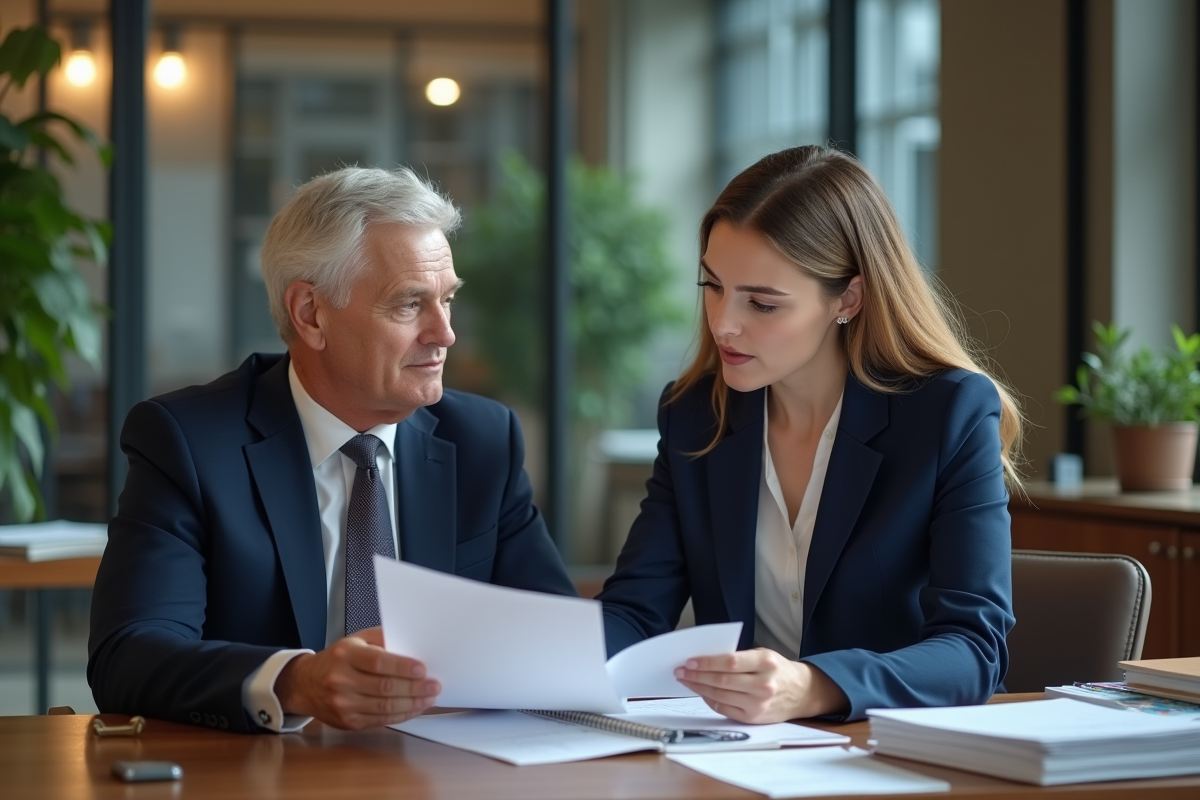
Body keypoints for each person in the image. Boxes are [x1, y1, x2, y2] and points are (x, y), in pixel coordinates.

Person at [88, 167, 575, 733]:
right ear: (310, 314)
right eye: (409, 304)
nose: (445, 333)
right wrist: (297, 682)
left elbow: (557, 644)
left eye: (447, 300)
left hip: (443, 773)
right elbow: (128, 655)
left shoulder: (482, 439)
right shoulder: (189, 442)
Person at [596, 145, 1021, 724]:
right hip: (742, 761)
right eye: (714, 286)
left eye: (763, 304)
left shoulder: (948, 414)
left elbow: (975, 650)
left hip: (886, 757)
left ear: (847, 298)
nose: (724, 322)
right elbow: (636, 612)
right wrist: (530, 662)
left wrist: (815, 686)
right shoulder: (695, 414)